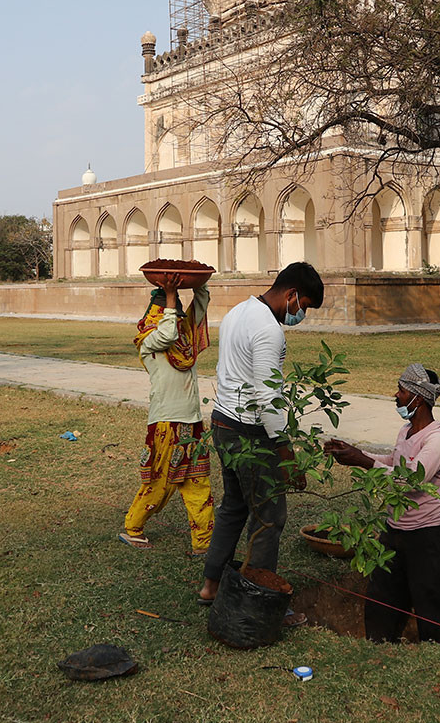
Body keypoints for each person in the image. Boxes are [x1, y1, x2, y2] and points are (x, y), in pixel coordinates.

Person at [198, 262, 324, 612]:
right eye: (304, 306)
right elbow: (268, 396)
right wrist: (286, 453)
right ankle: (258, 601)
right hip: (250, 434)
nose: (301, 315)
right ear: (292, 294)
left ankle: (211, 586)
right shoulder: (269, 330)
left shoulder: (239, 311)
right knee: (269, 516)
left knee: (233, 508)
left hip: (223, 423)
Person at [327, 364, 440, 643]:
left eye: (401, 390)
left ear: (418, 398)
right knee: (382, 596)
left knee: (430, 597)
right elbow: (393, 463)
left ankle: (437, 647)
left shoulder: (438, 439)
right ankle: (379, 642)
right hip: (394, 528)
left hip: (426, 534)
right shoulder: (407, 430)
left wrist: (361, 461)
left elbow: (410, 480)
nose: (396, 396)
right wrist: (355, 452)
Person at [120, 273, 213, 554]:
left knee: (198, 483)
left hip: (192, 423)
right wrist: (171, 297)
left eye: (177, 309)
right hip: (166, 423)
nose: (178, 315)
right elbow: (168, 332)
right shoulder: (149, 342)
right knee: (159, 484)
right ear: (157, 316)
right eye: (171, 310)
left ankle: (203, 544)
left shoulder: (183, 339)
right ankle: (133, 528)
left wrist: (198, 281)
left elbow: (201, 303)